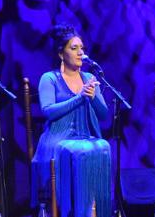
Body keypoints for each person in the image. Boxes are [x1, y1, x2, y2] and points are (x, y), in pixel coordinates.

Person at [31, 24, 111, 217]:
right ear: (61, 53)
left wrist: (92, 98)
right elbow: (48, 111)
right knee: (78, 152)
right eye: (73, 48)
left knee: (103, 146)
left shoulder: (90, 77)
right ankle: (77, 211)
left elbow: (103, 115)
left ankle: (93, 210)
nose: (80, 53)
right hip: (57, 139)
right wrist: (79, 97)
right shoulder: (49, 78)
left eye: (82, 48)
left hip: (84, 137)